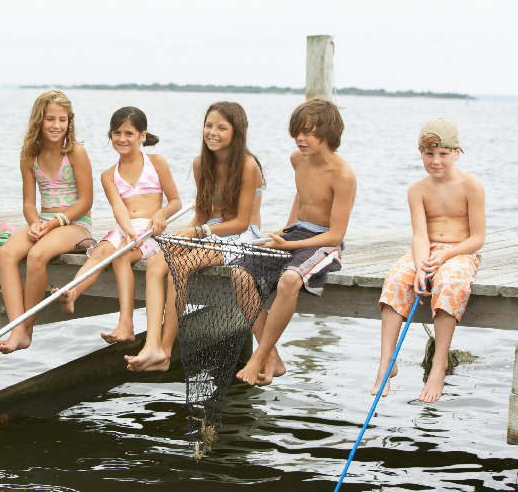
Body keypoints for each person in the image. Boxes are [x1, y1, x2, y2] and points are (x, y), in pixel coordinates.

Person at [125, 101, 265, 372]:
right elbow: (202, 214)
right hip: (210, 230)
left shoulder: (248, 166)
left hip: (242, 235)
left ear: (237, 132)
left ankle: (165, 351)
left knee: (180, 265)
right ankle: (152, 343)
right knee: (157, 262)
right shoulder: (201, 164)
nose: (213, 132)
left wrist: (198, 232)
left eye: (222, 127)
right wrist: (184, 237)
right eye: (209, 125)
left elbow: (240, 223)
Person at [236, 99, 356, 386]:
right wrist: (287, 230)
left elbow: (336, 235)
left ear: (328, 134)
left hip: (323, 242)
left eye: (308, 133)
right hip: (297, 232)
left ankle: (257, 357)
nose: (300, 139)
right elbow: (301, 196)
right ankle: (273, 357)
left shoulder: (343, 175)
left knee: (290, 280)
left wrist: (289, 247)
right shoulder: (296, 159)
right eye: (296, 132)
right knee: (239, 274)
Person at [373, 118, 484, 403]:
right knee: (397, 277)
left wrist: (446, 255)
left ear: (457, 152)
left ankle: (439, 364)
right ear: (421, 153)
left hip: (460, 251)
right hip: (427, 249)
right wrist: (422, 266)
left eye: (443, 153)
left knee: (448, 281)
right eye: (429, 154)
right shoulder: (417, 190)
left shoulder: (472, 186)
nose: (436, 161)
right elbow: (420, 235)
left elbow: (478, 238)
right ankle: (387, 362)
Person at [52, 107, 181, 344]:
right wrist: (128, 230)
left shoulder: (156, 163)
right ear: (110, 135)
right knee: (100, 252)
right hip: (125, 227)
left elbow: (175, 201)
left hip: (152, 230)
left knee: (122, 255)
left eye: (129, 133)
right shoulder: (108, 175)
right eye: (117, 133)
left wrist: (162, 213)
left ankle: (126, 324)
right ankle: (72, 294)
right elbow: (118, 208)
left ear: (142, 135)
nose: (122, 139)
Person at [0, 91, 93, 354]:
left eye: (62, 120)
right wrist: (35, 223)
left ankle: (26, 331)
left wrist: (56, 222)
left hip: (75, 224)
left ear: (69, 122)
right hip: (44, 221)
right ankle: (17, 327)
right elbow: (29, 202)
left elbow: (85, 202)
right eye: (50, 119)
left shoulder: (75, 152)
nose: (56, 125)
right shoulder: (30, 155)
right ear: (39, 120)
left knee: (37, 254)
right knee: (6, 253)